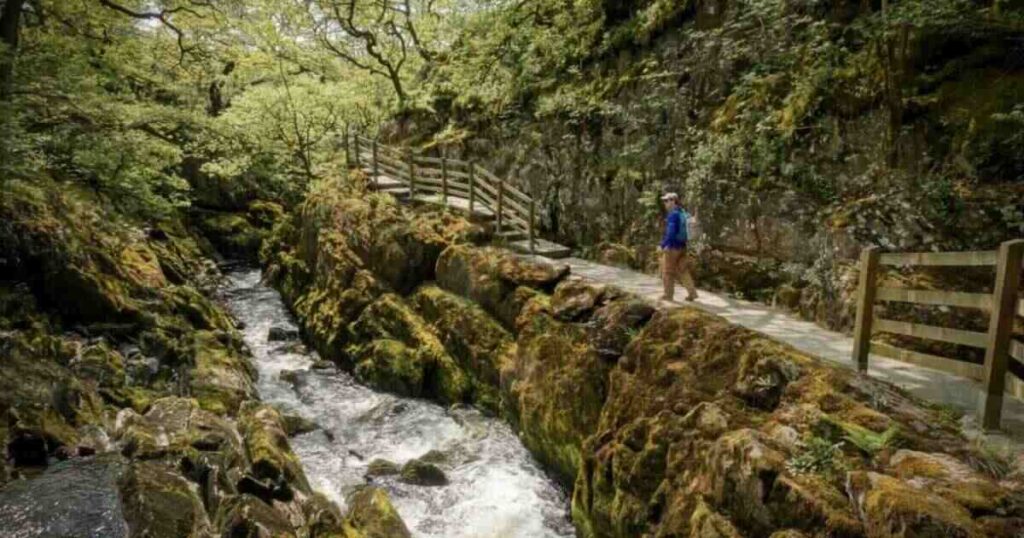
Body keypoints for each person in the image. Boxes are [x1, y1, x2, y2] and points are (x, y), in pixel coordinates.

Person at [658, 192, 698, 302]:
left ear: (673, 201)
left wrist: (663, 245)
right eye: (664, 201)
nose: (665, 203)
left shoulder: (673, 215)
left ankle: (668, 295)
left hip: (672, 247)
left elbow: (670, 233)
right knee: (682, 270)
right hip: (683, 246)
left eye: (667, 201)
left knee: (667, 271)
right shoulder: (684, 212)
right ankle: (692, 293)